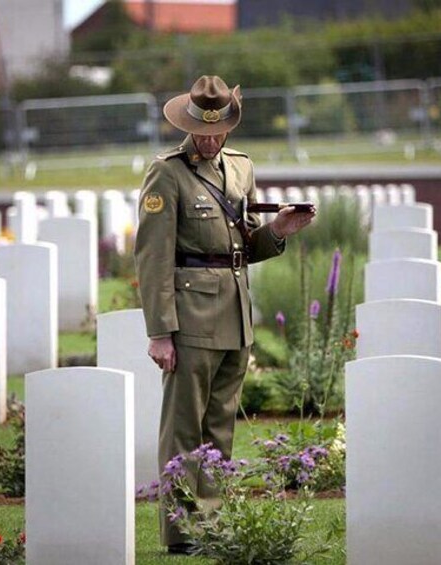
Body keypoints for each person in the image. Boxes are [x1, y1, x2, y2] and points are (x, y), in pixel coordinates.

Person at [134, 75, 315, 554]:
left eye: (218, 132)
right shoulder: (167, 173)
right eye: (202, 132)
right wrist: (160, 332)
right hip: (190, 319)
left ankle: (211, 527)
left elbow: (244, 246)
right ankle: (180, 534)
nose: (211, 140)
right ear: (188, 124)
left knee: (220, 430)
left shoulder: (240, 169)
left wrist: (278, 229)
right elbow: (153, 257)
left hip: (236, 318)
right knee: (183, 431)